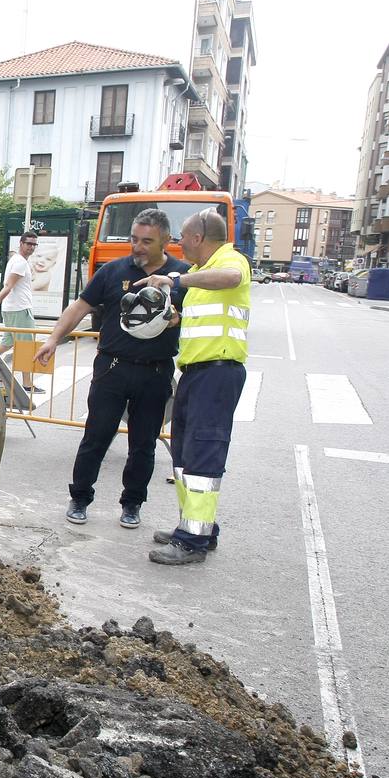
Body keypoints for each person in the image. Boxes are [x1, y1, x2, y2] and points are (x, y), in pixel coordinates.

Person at [33, 208, 187, 529]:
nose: (138, 247)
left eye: (147, 241)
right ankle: (79, 497)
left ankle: (132, 504)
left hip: (155, 373)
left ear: (166, 241)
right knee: (96, 437)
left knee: (143, 445)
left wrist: (178, 317)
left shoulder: (181, 277)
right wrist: (53, 339)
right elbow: (80, 306)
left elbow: (200, 317)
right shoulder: (113, 272)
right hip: (112, 369)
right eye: (134, 239)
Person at [136, 209, 250, 565]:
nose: (178, 243)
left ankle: (192, 542)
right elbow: (198, 318)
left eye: (182, 237)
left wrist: (176, 280)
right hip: (196, 374)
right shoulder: (200, 273)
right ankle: (196, 527)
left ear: (199, 237)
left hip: (218, 373)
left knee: (203, 455)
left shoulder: (230, 260)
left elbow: (231, 278)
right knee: (184, 457)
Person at [0, 231, 42, 395]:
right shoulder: (20, 263)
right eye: (29, 244)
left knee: (8, 342)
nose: (31, 247)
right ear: (21, 243)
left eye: (34, 244)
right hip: (20, 309)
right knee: (26, 346)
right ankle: (27, 383)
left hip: (13, 309)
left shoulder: (17, 260)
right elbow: (8, 286)